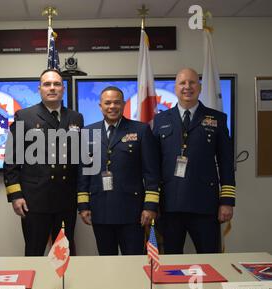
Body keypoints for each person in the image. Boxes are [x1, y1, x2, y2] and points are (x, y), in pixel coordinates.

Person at [152, 68, 235, 254]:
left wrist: (227, 201)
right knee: (171, 262)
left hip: (205, 205)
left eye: (192, 82)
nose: (187, 87)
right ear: (175, 88)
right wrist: (153, 203)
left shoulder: (217, 119)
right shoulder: (160, 120)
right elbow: (153, 165)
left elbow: (226, 162)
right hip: (170, 205)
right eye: (182, 83)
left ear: (200, 87)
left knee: (210, 259)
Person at [3, 69, 84, 256]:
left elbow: (79, 161)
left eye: (56, 84)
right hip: (34, 200)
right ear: (39, 89)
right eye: (47, 84)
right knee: (34, 252)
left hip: (66, 199)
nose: (52, 88)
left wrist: (82, 198)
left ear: (63, 89)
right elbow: (11, 160)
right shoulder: (24, 116)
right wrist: (16, 196)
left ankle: (62, 287)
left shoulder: (75, 118)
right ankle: (36, 286)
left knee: (64, 253)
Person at [77, 86, 160, 255]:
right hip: (100, 210)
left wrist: (150, 206)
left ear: (123, 104)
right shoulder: (87, 132)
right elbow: (83, 172)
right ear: (100, 106)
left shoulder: (141, 130)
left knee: (134, 262)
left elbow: (151, 172)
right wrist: (83, 205)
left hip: (133, 212)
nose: (112, 106)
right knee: (107, 262)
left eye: (116, 102)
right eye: (107, 103)